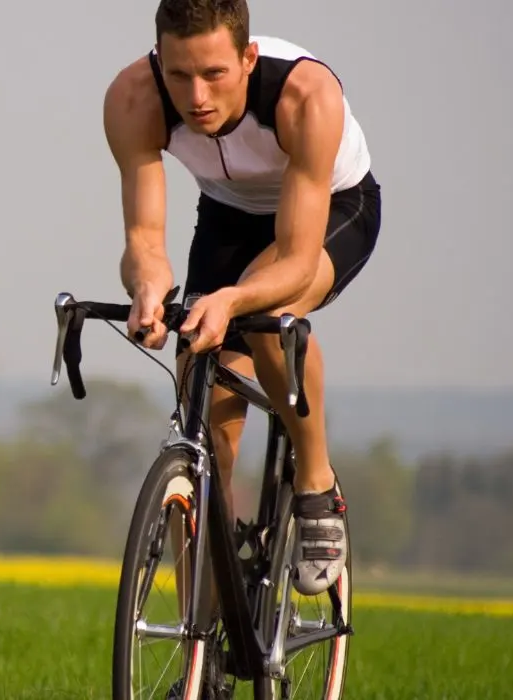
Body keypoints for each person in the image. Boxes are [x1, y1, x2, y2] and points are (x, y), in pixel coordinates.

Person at [103, 0, 381, 599]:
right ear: (159, 63)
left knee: (266, 322)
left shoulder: (305, 95)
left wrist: (231, 299)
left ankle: (315, 484)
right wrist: (148, 288)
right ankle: (199, 648)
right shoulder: (132, 99)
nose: (196, 96)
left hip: (331, 210)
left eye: (214, 75)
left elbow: (297, 260)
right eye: (178, 76)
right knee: (202, 423)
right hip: (229, 214)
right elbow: (145, 243)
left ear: (248, 57)